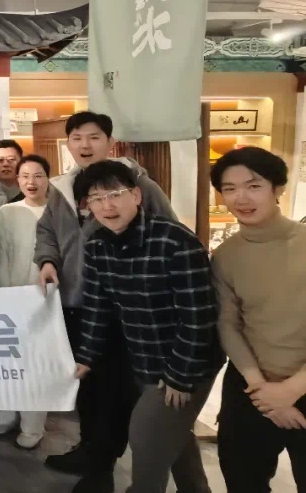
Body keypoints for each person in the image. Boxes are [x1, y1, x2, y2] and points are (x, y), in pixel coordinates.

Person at [34, 111, 177, 491]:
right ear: (68, 143)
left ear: (110, 143)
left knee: (114, 391)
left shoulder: (138, 184)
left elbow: (171, 233)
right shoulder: (62, 188)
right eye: (77, 137)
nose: (85, 145)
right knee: (87, 386)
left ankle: (102, 467)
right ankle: (89, 449)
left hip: (122, 308)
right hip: (75, 302)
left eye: (94, 137)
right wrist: (47, 261)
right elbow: (46, 230)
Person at [73, 161, 223, 493]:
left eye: (115, 194)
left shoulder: (175, 240)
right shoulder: (97, 245)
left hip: (190, 363)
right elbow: (98, 307)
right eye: (96, 198)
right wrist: (86, 356)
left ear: (137, 195)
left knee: (146, 438)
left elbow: (199, 316)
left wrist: (180, 376)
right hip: (144, 361)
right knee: (172, 435)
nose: (107, 206)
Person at [210, 147, 306, 492]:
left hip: (301, 380)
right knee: (242, 480)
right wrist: (262, 390)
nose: (241, 197)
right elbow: (228, 324)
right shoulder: (225, 256)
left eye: (253, 186)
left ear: (278, 188)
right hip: (251, 385)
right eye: (230, 188)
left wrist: (290, 391)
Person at [0, 154, 51, 450]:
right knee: (5, 358)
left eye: (38, 175)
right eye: (25, 176)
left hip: (44, 300)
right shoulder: (7, 211)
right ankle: (4, 415)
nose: (31, 182)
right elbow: (1, 253)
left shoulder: (58, 212)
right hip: (10, 296)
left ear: (48, 178)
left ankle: (33, 426)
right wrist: (5, 294)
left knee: (36, 364)